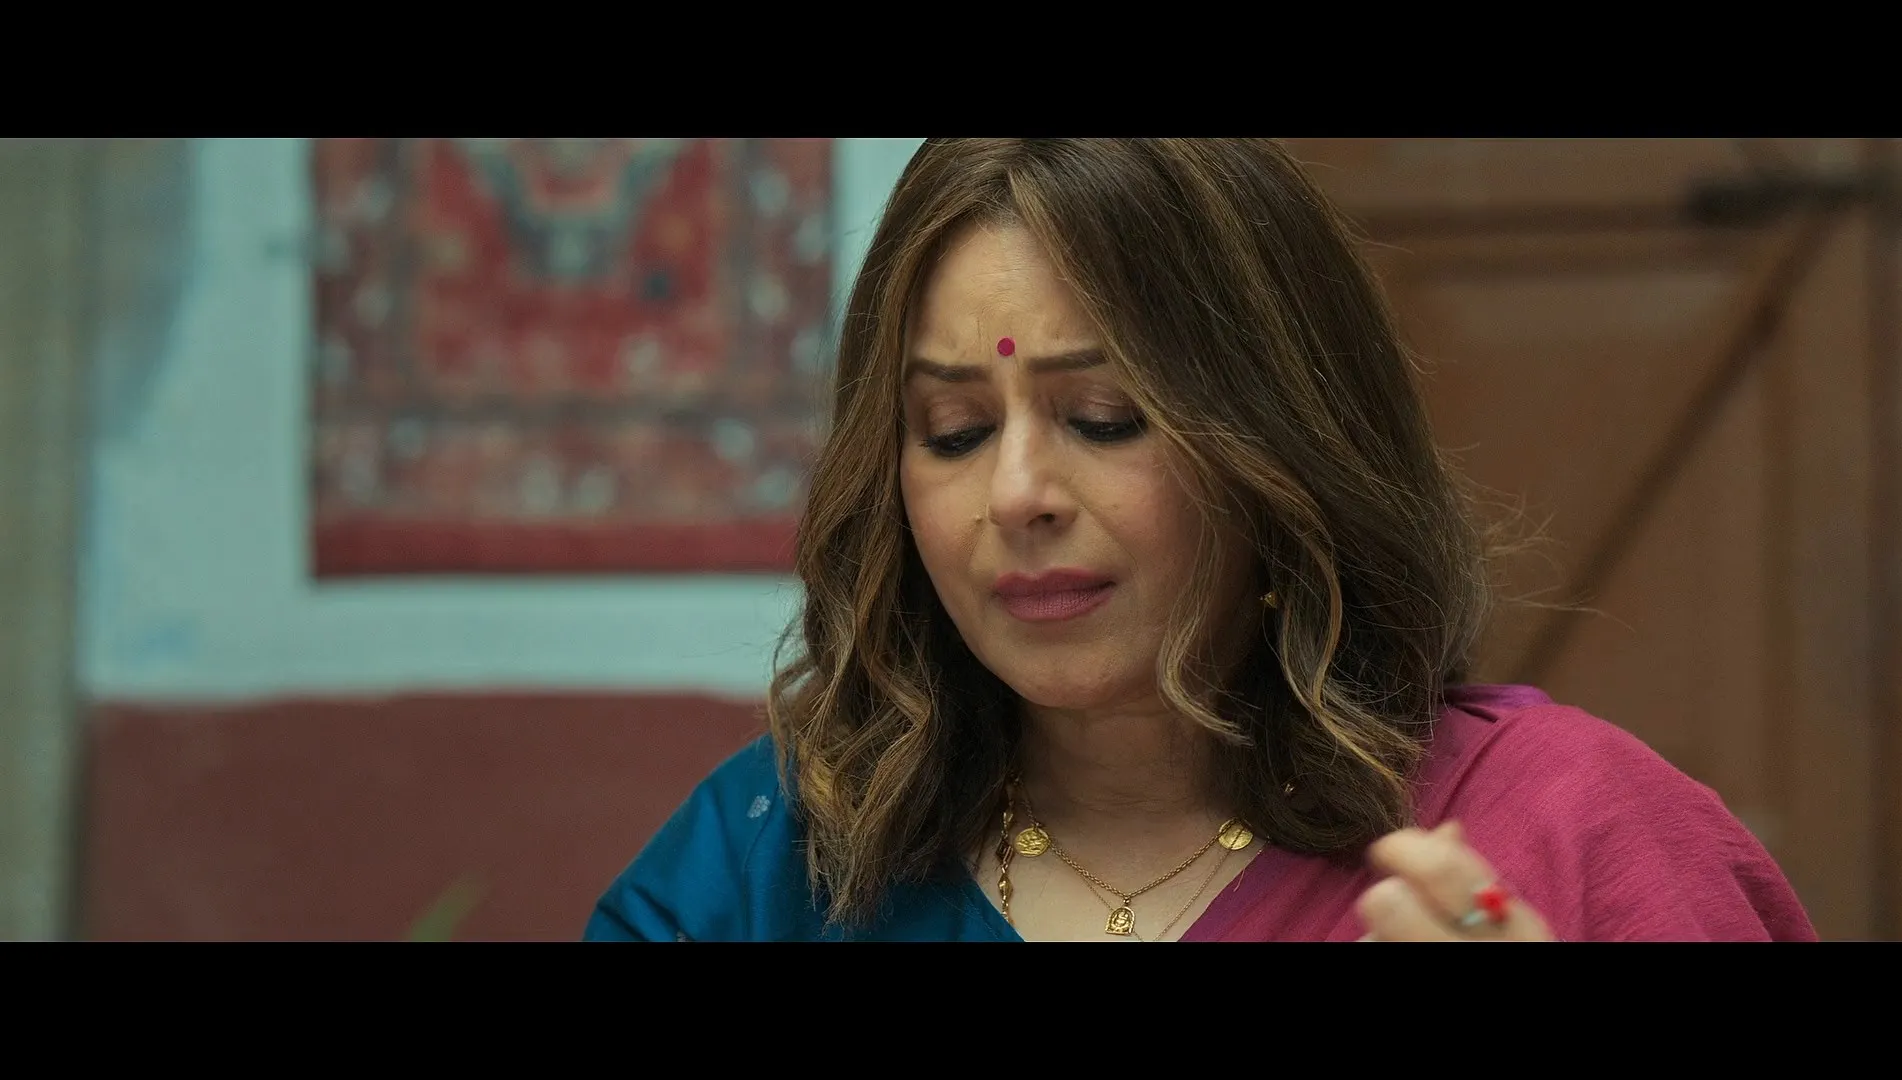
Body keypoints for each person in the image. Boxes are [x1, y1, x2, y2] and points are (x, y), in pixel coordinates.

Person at [584, 138, 1818, 942]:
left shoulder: (1569, 834)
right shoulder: (777, 865)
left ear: (1281, 443)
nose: (1018, 494)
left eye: (1104, 418)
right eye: (954, 432)